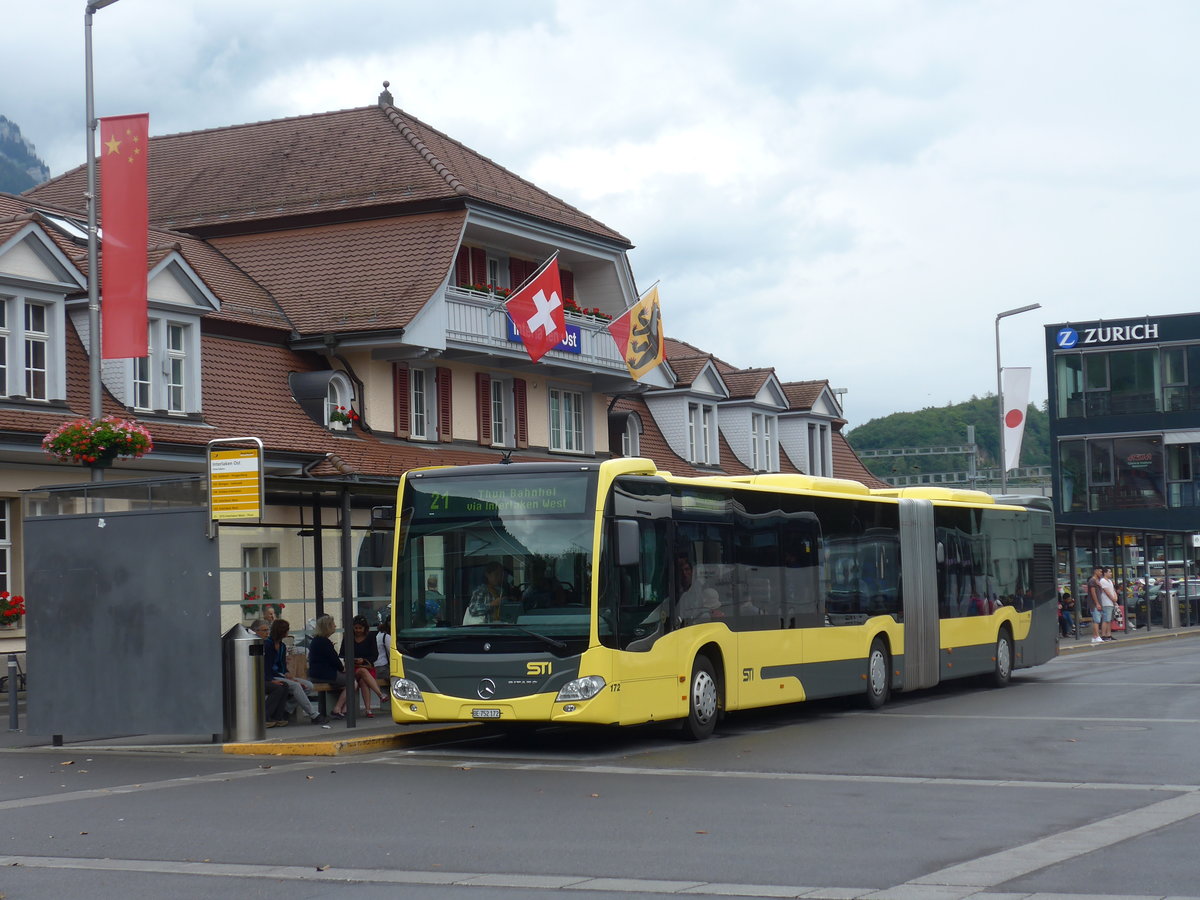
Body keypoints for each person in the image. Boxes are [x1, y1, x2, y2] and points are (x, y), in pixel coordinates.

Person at [265, 618, 328, 725]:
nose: (288, 632)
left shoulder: (282, 646)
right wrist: (271, 680)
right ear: (281, 631)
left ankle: (286, 708)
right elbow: (265, 666)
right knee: (296, 686)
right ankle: (314, 714)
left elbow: (282, 666)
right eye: (286, 630)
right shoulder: (267, 645)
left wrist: (288, 674)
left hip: (280, 674)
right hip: (271, 676)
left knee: (308, 686)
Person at [340, 614, 386, 718]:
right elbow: (342, 653)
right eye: (356, 628)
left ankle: (368, 710)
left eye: (360, 628)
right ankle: (380, 695)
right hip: (353, 669)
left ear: (365, 628)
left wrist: (364, 660)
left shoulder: (370, 637)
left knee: (363, 681)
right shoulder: (348, 637)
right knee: (362, 671)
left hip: (367, 667)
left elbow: (375, 655)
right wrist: (352, 659)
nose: (358, 630)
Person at [308, 614, 351, 719]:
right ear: (327, 627)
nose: (335, 626)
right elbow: (334, 660)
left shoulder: (316, 640)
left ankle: (345, 710)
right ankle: (337, 709)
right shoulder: (325, 642)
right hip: (325, 674)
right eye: (333, 624)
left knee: (347, 684)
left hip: (315, 673)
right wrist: (342, 669)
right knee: (352, 683)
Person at [251, 618, 290, 728]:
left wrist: (272, 679)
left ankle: (277, 717)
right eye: (264, 630)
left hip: (264, 677)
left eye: (268, 630)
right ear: (255, 631)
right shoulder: (259, 644)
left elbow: (267, 666)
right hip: (255, 679)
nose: (267, 633)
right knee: (277, 688)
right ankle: (264, 717)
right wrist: (270, 680)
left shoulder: (265, 644)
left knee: (284, 685)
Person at [1086, 566, 1108, 645]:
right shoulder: (1092, 581)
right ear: (1095, 571)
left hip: (1097, 603)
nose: (1101, 573)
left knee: (1097, 619)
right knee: (1096, 620)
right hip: (1094, 604)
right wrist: (1097, 603)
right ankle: (1097, 636)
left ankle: (1094, 636)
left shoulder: (1097, 581)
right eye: (1100, 571)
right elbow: (1093, 592)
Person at [1099, 568, 1118, 641]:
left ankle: (1109, 635)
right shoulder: (1103, 581)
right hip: (1106, 603)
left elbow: (1113, 591)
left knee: (1109, 620)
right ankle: (1103, 635)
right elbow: (1107, 592)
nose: (1111, 573)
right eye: (1109, 572)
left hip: (1111, 603)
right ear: (1105, 573)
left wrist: (1115, 598)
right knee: (1105, 619)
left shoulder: (1110, 581)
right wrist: (1113, 599)